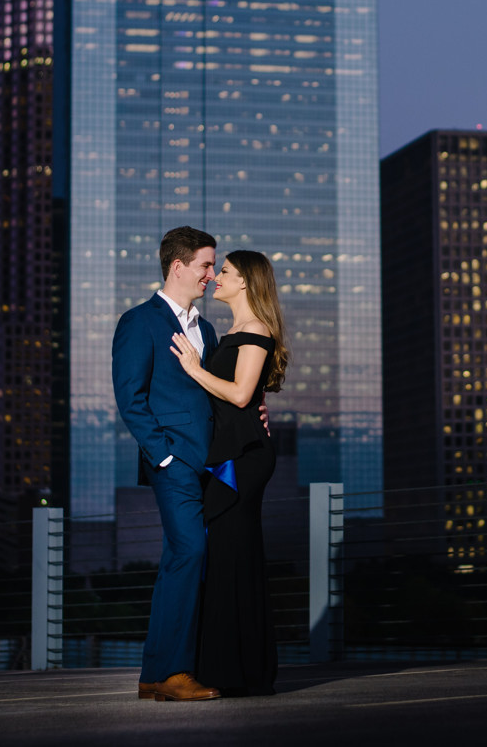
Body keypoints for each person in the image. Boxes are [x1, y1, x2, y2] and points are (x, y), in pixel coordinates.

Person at [170, 249, 289, 697]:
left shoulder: (255, 330)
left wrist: (195, 369)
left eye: (225, 272)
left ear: (246, 283)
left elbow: (240, 394)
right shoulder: (232, 333)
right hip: (231, 455)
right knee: (227, 558)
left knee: (234, 556)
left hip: (242, 462)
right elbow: (247, 398)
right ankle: (232, 668)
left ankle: (243, 673)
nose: (216, 277)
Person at [112, 226, 221, 702]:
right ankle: (171, 672)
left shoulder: (208, 328)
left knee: (186, 559)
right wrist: (164, 454)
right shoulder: (139, 322)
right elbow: (130, 398)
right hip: (173, 463)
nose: (211, 274)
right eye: (204, 264)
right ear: (178, 266)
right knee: (190, 553)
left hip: (214, 466)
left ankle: (158, 673)